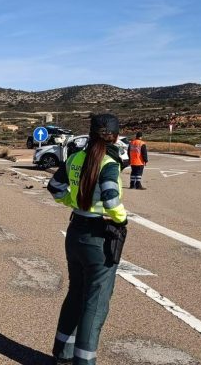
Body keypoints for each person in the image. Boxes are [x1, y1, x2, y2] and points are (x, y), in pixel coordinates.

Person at [46, 113, 128, 365]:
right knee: (96, 303)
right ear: (114, 136)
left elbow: (55, 186)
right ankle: (84, 361)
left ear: (91, 133)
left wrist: (74, 202)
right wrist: (121, 218)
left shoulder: (75, 157)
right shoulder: (109, 163)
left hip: (75, 232)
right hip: (99, 236)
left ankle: (62, 355)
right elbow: (111, 198)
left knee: (75, 293)